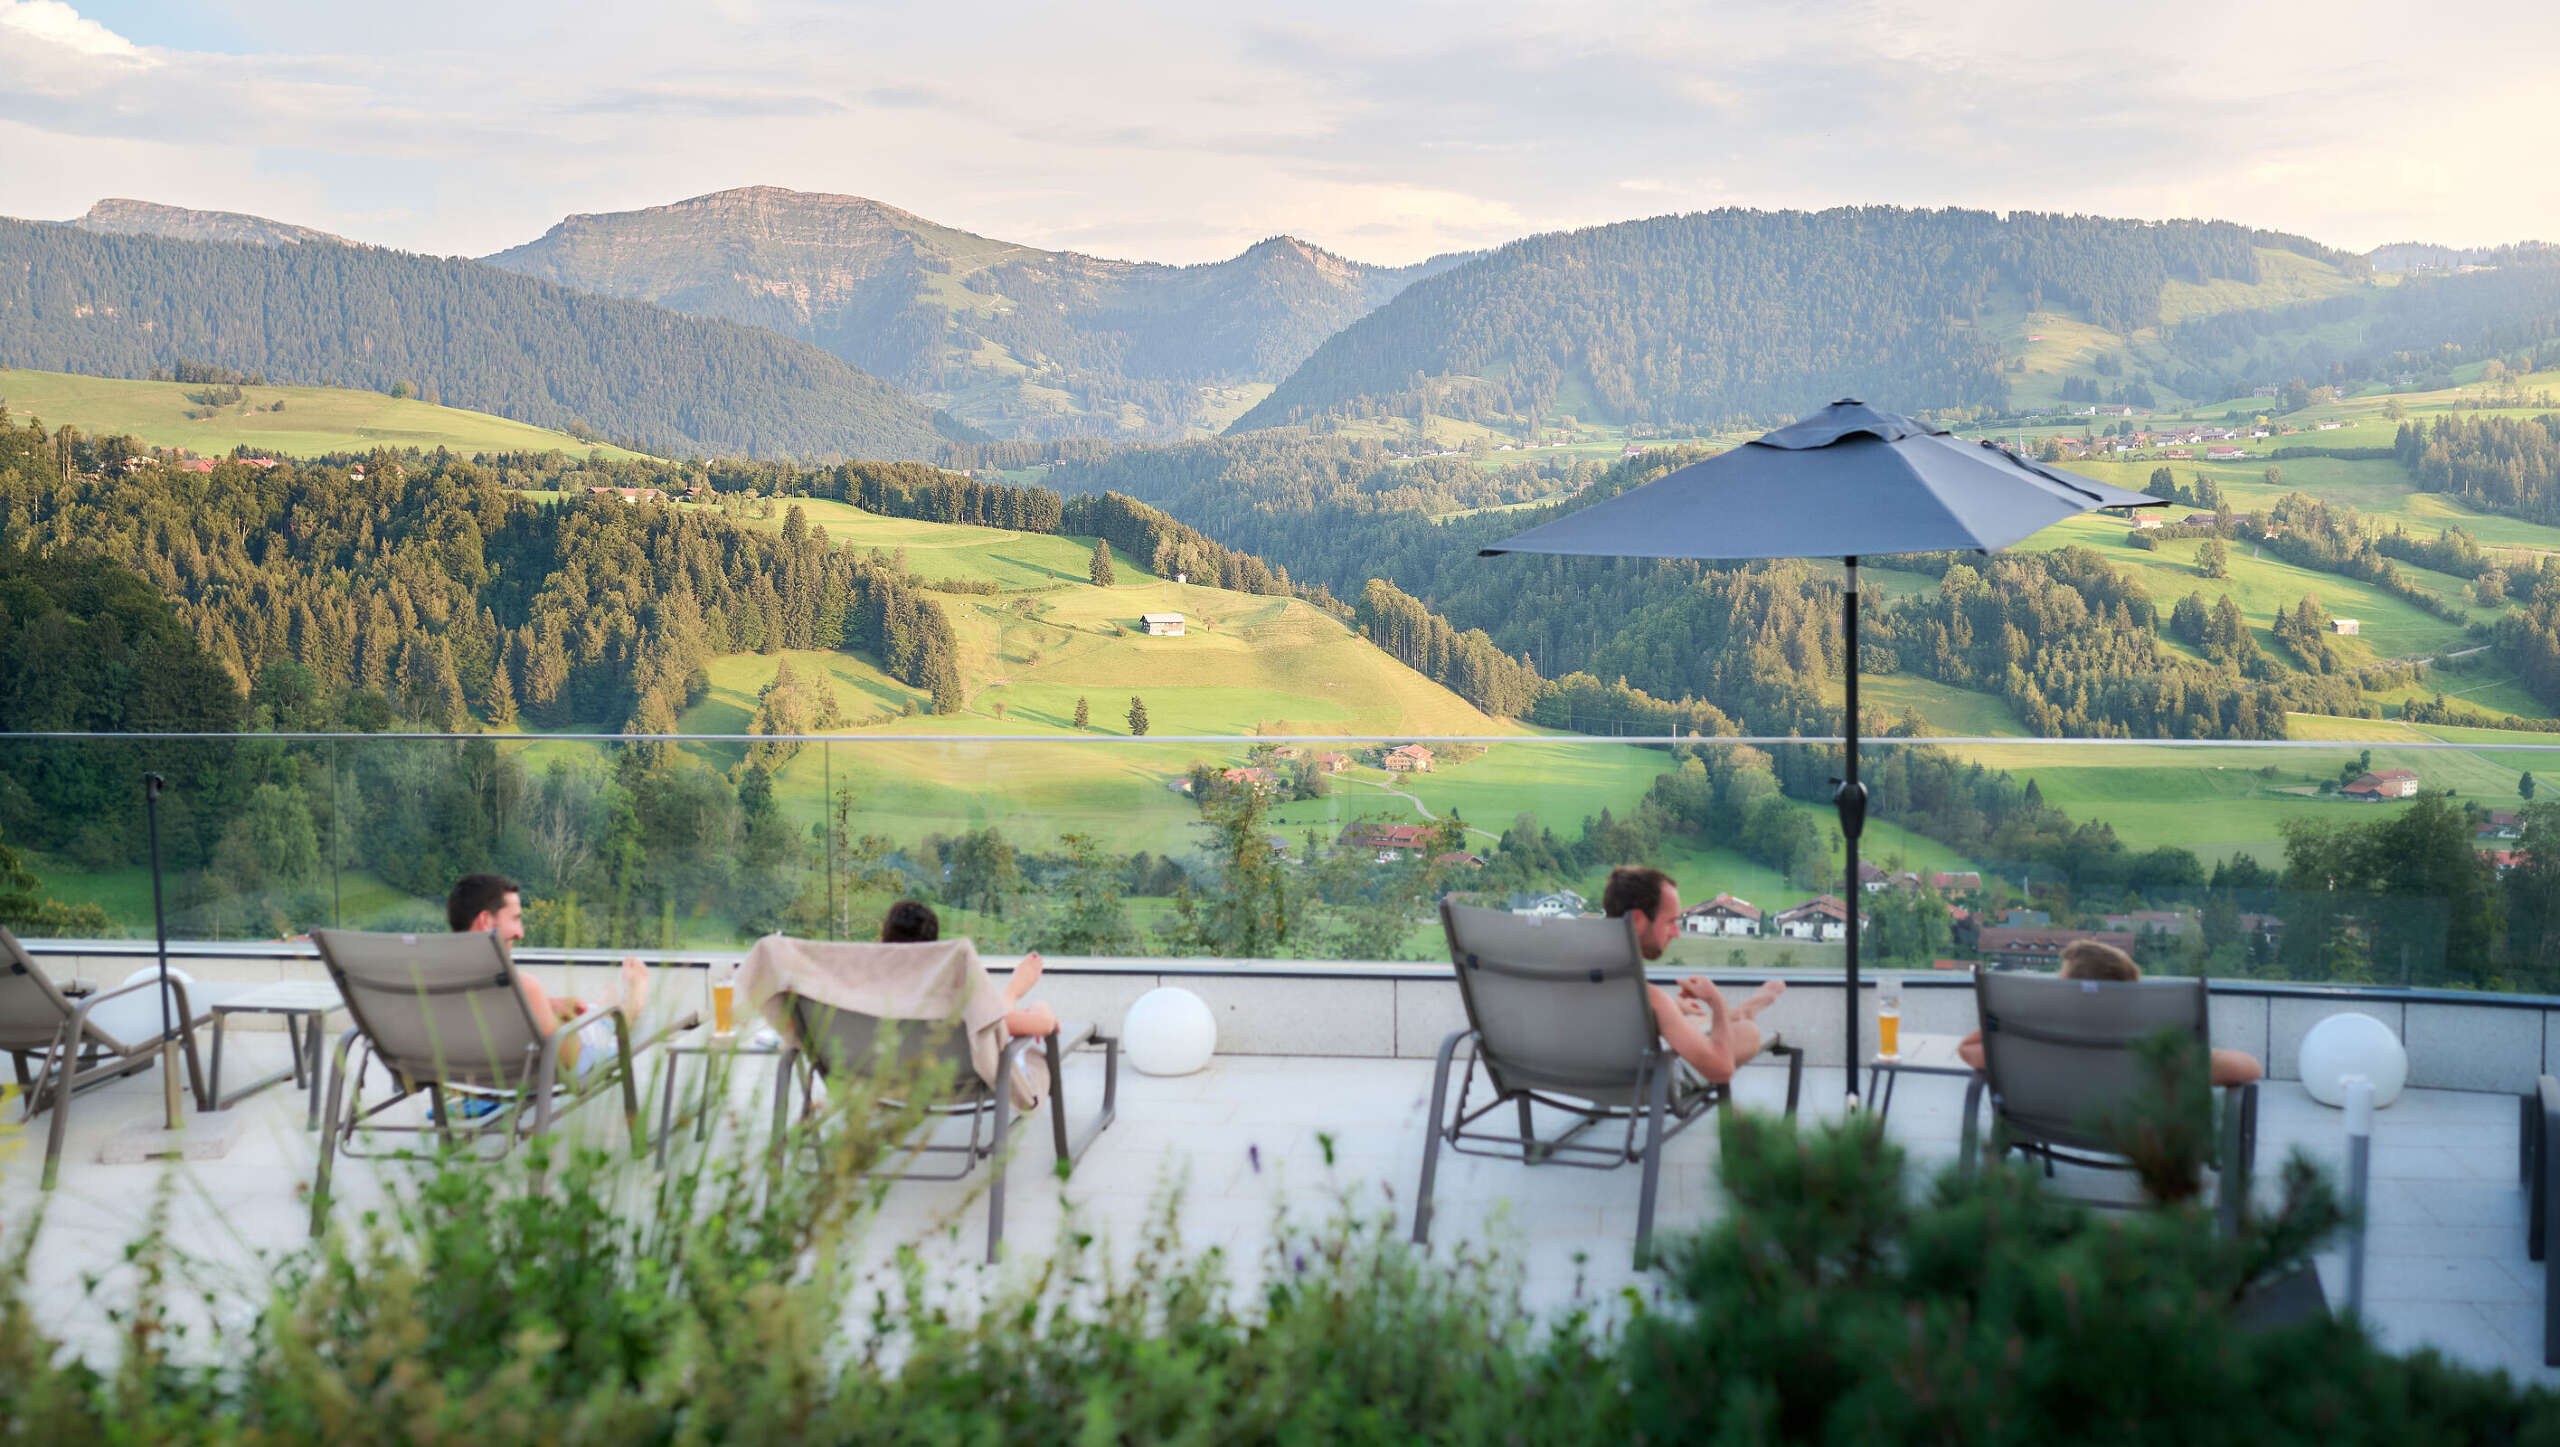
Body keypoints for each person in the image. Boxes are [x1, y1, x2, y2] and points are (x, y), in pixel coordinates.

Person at [1955, 939, 2263, 1086]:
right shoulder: (2157, 1054)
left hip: (2056, 1130)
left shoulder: (2038, 1048)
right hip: (2136, 1140)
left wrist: (2006, 1014)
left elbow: (1968, 1049)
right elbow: (2248, 1068)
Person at [447, 872, 648, 1078]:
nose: (520, 933)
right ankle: (626, 1008)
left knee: (580, 1012)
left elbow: (488, 1013)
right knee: (599, 1024)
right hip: (536, 1073)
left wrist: (545, 1006)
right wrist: (561, 1022)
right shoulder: (522, 986)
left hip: (467, 1079)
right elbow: (569, 1059)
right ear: (487, 921)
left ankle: (602, 1008)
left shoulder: (432, 981)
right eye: (515, 919)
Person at [1601, 866, 1786, 1085]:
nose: (1677, 933)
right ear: (1638, 921)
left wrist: (1674, 1007)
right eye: (1670, 922)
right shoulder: (1651, 999)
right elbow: (1722, 1070)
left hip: (1575, 1077)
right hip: (1652, 1081)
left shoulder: (1576, 973)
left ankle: (1740, 1012)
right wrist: (1715, 1001)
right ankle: (1740, 1013)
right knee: (1748, 1032)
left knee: (1691, 1019)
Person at [878, 900, 1056, 1040]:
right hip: (950, 1084)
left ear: (882, 942)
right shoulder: (951, 996)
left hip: (875, 1083)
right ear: (934, 948)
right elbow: (1043, 1024)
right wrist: (1020, 996)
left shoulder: (862, 993)